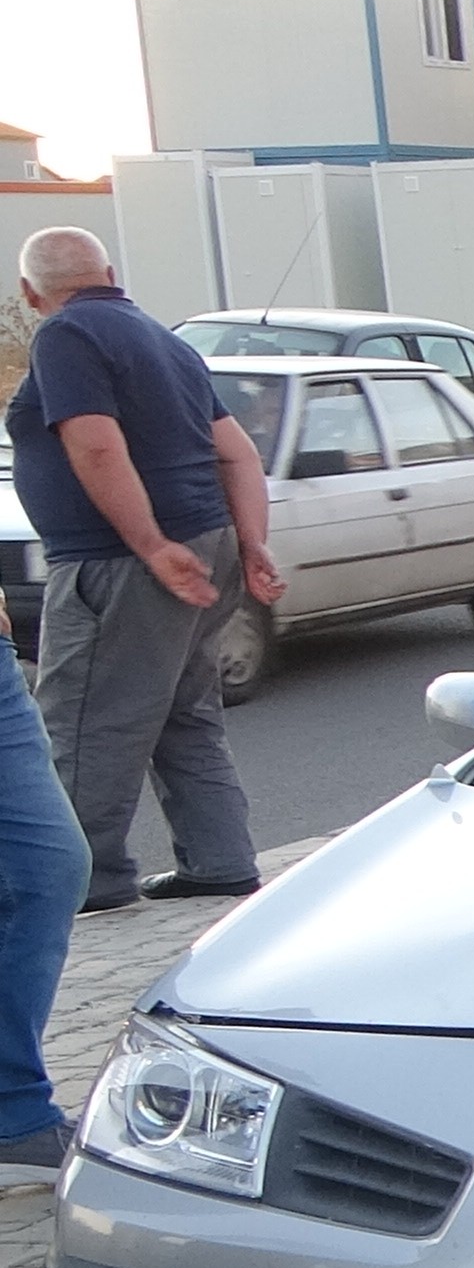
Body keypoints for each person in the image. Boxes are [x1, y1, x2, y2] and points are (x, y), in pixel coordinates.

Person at [6, 226, 281, 922]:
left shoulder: (65, 336)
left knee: (85, 720)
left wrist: (151, 545)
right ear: (111, 272)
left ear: (30, 292)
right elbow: (239, 455)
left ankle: (80, 882)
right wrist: (252, 544)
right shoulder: (165, 340)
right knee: (183, 714)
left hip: (119, 559)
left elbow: (93, 444)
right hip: (207, 539)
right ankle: (219, 864)